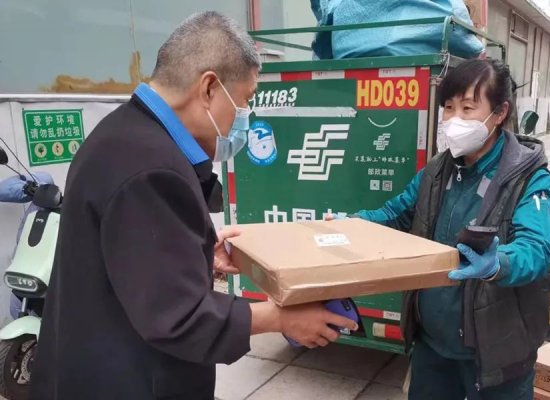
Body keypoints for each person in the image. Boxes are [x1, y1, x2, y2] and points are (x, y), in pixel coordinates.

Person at [30, 12, 357, 400]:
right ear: (209, 89)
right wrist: (279, 317)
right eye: (245, 101)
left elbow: (133, 264)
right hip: (130, 381)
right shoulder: (151, 169)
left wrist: (196, 254)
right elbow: (177, 316)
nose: (244, 119)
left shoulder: (121, 134)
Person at [333, 59, 550, 399]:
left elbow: (537, 248)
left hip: (496, 352)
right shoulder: (438, 169)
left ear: (499, 112)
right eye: (448, 108)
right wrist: (353, 223)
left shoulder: (528, 177)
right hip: (433, 346)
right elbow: (397, 214)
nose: (454, 120)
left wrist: (499, 264)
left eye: (467, 108)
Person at [0, 172, 54, 319]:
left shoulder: (73, 209)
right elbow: (2, 190)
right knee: (16, 310)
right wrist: (27, 189)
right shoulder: (45, 185)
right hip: (24, 269)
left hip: (50, 279)